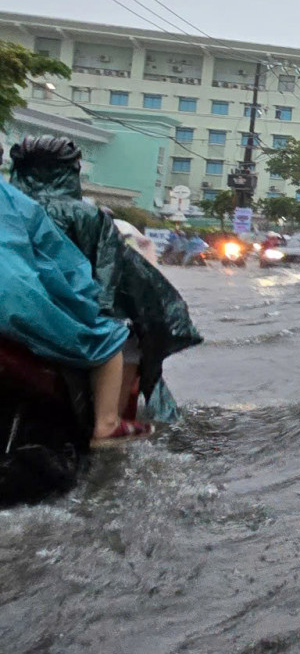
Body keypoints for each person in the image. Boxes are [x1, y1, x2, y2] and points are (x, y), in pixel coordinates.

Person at [8, 137, 201, 431]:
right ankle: (108, 423)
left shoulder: (10, 205)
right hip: (42, 313)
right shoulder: (83, 214)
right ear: (71, 170)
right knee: (124, 339)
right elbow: (109, 278)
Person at [0, 175, 137, 446]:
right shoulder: (20, 204)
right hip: (16, 304)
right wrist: (87, 303)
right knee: (108, 341)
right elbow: (63, 268)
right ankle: (107, 424)